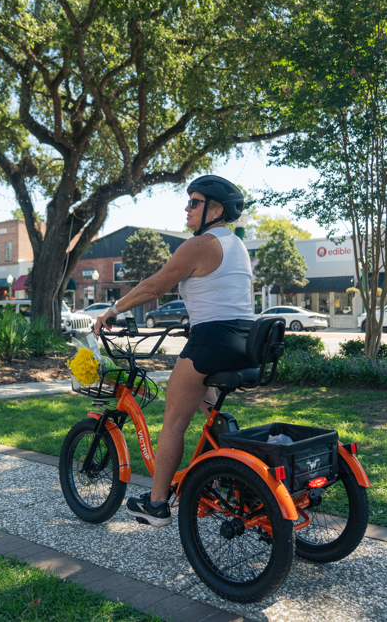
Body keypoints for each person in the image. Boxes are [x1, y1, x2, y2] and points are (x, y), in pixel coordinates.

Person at [93, 175, 254, 527]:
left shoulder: (199, 244)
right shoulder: (235, 245)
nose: (187, 208)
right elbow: (220, 295)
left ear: (215, 209)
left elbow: (154, 287)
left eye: (194, 202)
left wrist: (112, 311)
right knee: (208, 406)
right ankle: (232, 472)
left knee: (173, 421)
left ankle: (157, 504)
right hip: (243, 342)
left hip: (211, 342)